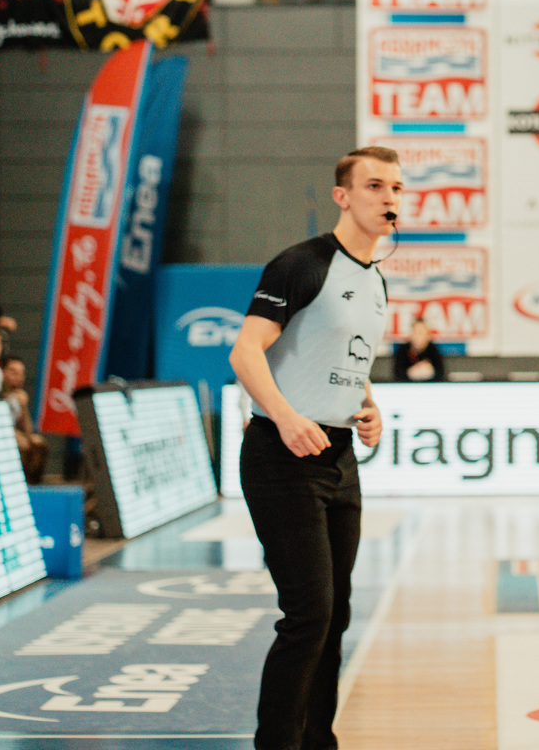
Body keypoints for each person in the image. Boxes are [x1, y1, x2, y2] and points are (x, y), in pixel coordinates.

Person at [228, 147, 395, 750]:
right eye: (374, 185)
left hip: (339, 458)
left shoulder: (375, 280)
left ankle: (318, 741)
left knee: (336, 613)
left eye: (396, 187)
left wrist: (368, 405)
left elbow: (346, 359)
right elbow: (245, 351)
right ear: (342, 196)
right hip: (281, 456)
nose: (389, 198)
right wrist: (286, 416)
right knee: (309, 615)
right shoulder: (301, 264)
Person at [2, 357, 45, 484]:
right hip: (2, 431)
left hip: (14, 432)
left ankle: (32, 483)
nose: (18, 377)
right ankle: (13, 482)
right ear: (2, 372)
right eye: (13, 372)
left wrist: (24, 407)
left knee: (38, 442)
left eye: (21, 373)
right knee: (22, 444)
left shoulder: (20, 395)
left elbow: (28, 430)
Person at [393, 317, 446, 382]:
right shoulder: (403, 350)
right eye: (415, 332)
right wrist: (411, 373)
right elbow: (397, 374)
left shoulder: (433, 350)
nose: (417, 336)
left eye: (421, 333)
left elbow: (441, 373)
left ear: (428, 335)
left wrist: (430, 372)